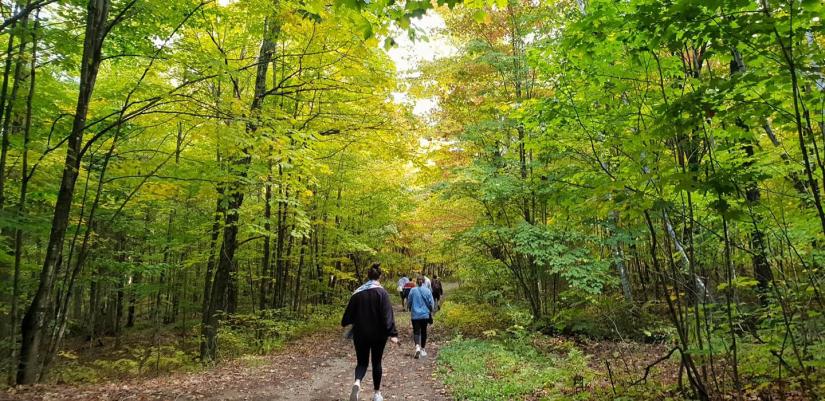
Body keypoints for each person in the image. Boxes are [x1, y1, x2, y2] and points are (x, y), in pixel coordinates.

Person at [341, 263, 399, 401]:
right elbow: (387, 316)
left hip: (360, 334)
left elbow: (346, 318)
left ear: (367, 276)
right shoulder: (382, 293)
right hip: (379, 335)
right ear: (380, 276)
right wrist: (393, 334)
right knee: (376, 363)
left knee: (361, 363)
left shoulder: (357, 293)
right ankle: (377, 394)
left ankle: (357, 382)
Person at [406, 276, 435, 359]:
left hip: (415, 315)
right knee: (424, 331)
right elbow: (431, 303)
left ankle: (417, 347)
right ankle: (423, 349)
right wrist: (431, 311)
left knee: (416, 331)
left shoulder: (413, 290)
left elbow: (409, 301)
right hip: (425, 315)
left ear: (417, 282)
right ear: (423, 281)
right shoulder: (427, 290)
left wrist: (409, 307)